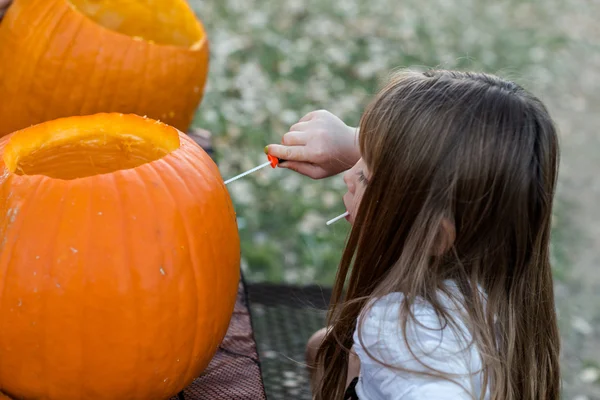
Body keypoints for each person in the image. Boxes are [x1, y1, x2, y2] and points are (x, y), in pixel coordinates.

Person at [265, 69, 561, 400]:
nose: (349, 175)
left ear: (435, 236)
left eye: (365, 177)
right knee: (324, 348)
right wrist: (352, 141)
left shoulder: (406, 334)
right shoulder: (496, 275)